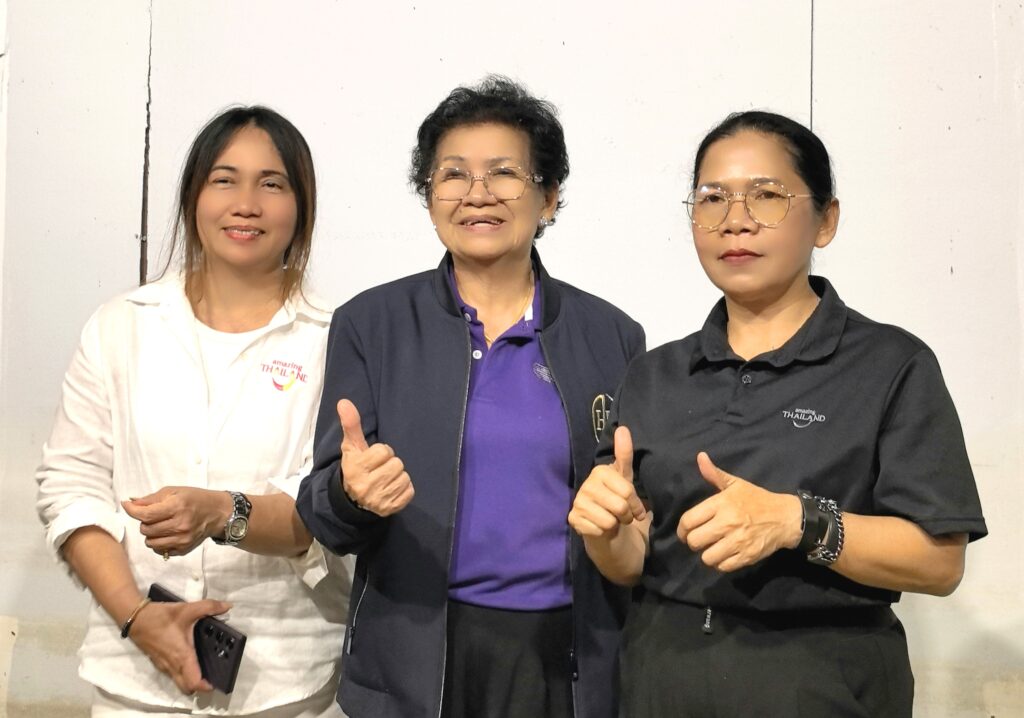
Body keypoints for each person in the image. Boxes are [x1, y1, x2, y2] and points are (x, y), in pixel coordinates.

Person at [568, 110, 987, 717]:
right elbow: (633, 562)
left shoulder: (890, 364)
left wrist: (798, 521)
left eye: (766, 195)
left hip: (820, 682)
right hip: (662, 678)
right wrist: (605, 532)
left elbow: (940, 562)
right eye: (712, 198)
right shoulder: (655, 373)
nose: (735, 220)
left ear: (826, 221)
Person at [295, 76, 645, 718]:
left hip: (563, 658)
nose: (477, 193)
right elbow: (322, 514)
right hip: (414, 656)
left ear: (549, 197)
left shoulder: (612, 336)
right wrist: (349, 494)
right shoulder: (371, 324)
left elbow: (631, 521)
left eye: (504, 173)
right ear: (429, 198)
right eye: (453, 175)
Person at [37, 106, 350, 717]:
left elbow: (327, 509)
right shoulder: (121, 327)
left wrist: (219, 513)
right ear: (193, 197)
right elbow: (71, 485)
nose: (246, 204)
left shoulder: (337, 340)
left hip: (283, 683)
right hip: (134, 678)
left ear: (301, 206)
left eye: (272, 184)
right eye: (224, 180)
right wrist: (137, 615)